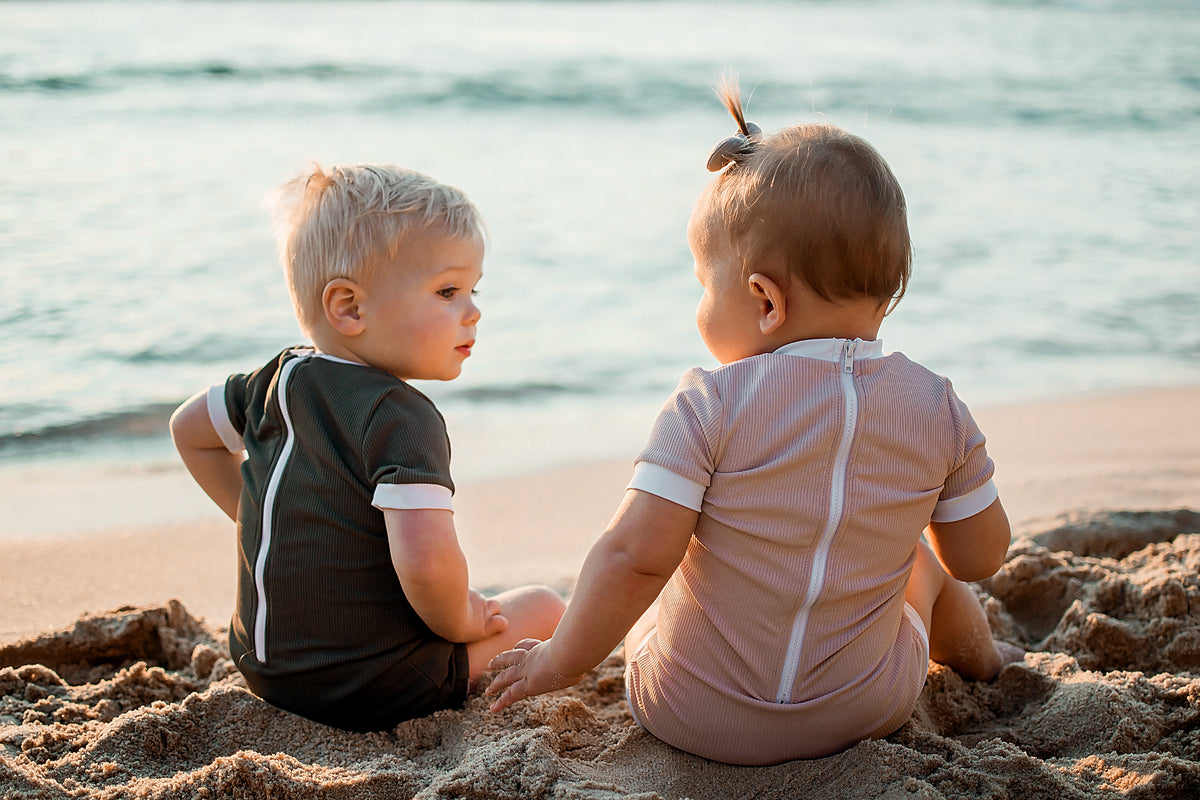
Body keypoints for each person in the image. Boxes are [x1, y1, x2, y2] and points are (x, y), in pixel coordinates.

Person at [486, 81, 1021, 764]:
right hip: (863, 712)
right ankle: (988, 659)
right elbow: (981, 558)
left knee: (677, 558)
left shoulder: (708, 403)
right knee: (921, 569)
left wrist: (557, 663)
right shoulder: (936, 407)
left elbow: (632, 557)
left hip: (690, 711)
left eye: (704, 285)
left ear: (765, 300)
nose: (700, 303)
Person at [169, 163, 565, 732]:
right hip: (363, 687)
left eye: (473, 290)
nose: (473, 311)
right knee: (544, 608)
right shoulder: (401, 416)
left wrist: (262, 519)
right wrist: (463, 619)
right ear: (350, 307)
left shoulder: (273, 381)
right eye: (448, 291)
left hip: (264, 667)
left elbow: (189, 431)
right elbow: (428, 565)